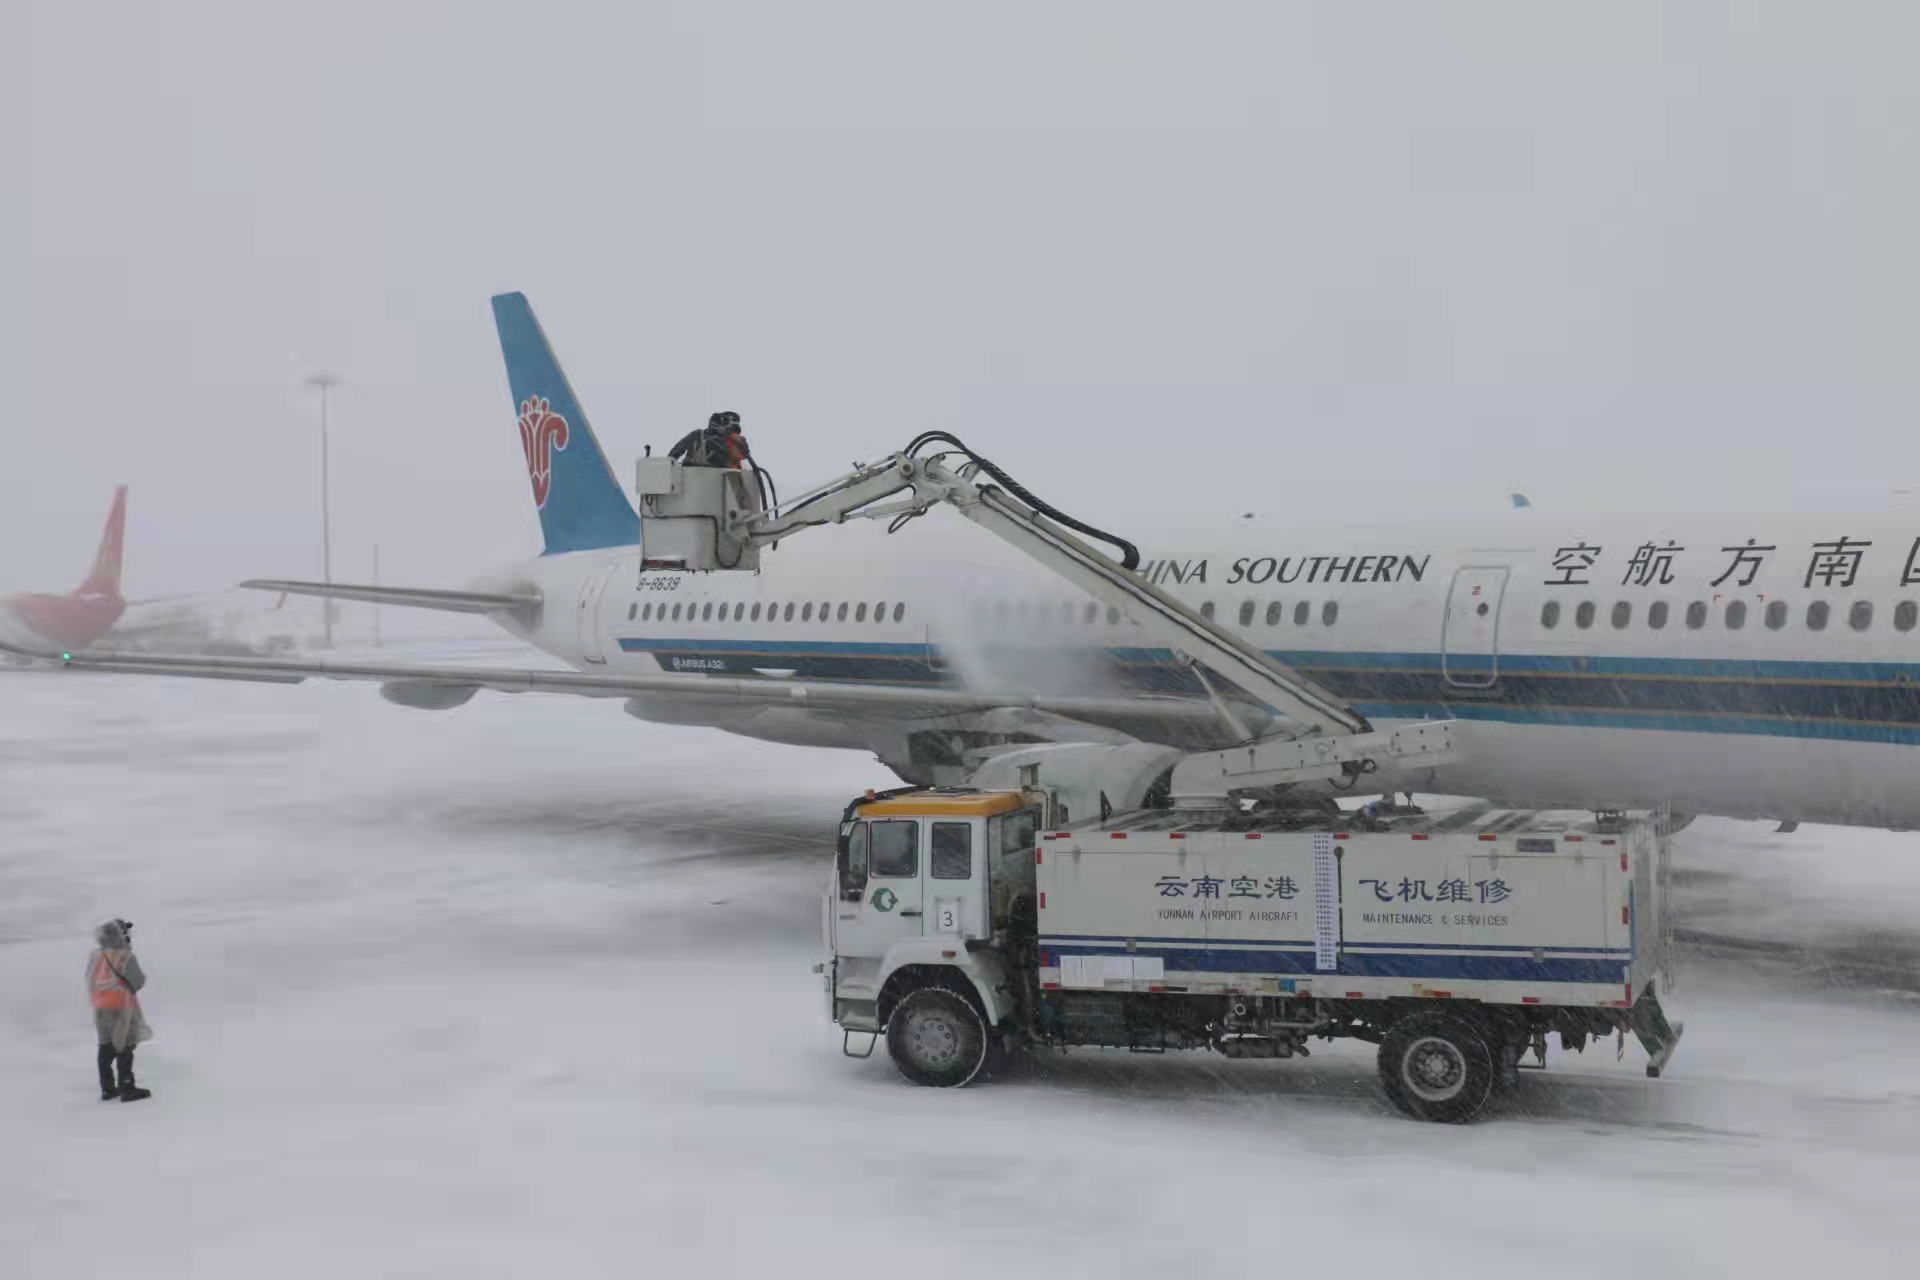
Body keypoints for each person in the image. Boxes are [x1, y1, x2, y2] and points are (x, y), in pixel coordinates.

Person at [86, 919, 152, 1102]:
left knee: (105, 1045)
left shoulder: (95, 955)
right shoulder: (125, 957)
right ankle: (127, 1088)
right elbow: (138, 982)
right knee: (124, 1044)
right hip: (121, 1007)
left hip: (100, 1007)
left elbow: (89, 979)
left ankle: (107, 1088)